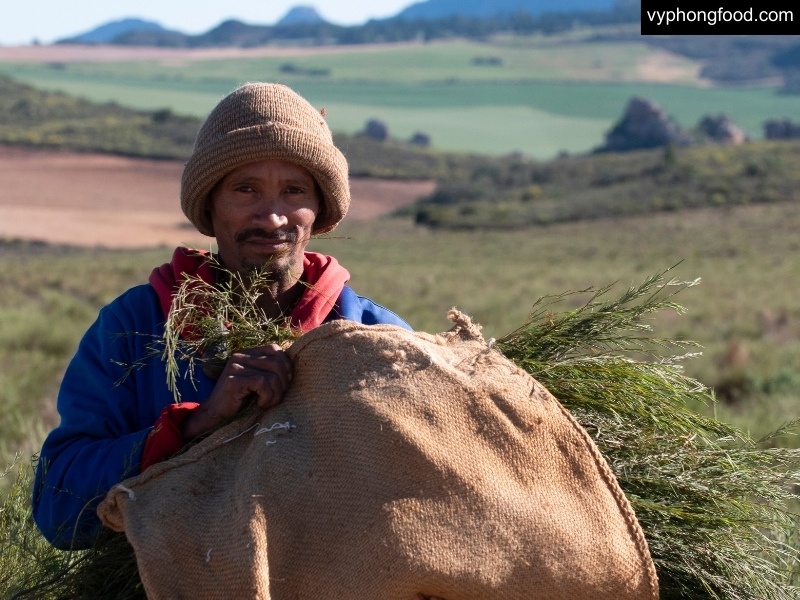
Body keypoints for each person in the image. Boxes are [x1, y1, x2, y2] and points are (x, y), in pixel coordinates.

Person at [32, 82, 412, 550]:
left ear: (320, 209)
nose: (272, 217)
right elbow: (58, 506)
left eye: (293, 190)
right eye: (245, 189)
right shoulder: (134, 327)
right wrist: (196, 424)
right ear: (210, 206)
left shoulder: (376, 336)